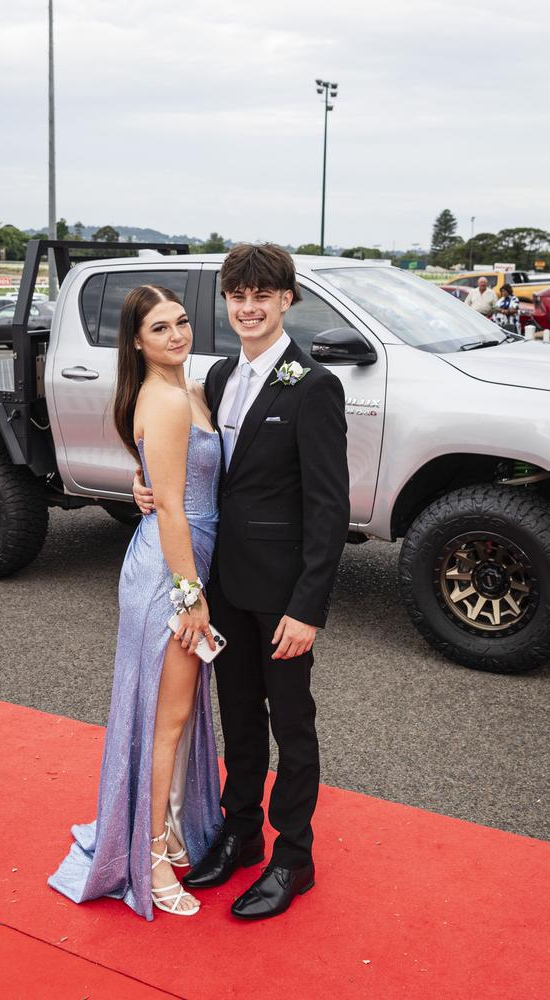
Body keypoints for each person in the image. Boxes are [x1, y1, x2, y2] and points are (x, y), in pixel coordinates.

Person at [134, 244, 349, 920]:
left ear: (288, 299)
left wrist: (309, 607)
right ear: (227, 302)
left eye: (263, 294)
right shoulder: (221, 375)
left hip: (284, 596)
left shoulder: (313, 385)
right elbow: (198, 469)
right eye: (237, 296)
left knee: (292, 723)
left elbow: (329, 506)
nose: (248, 307)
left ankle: (294, 858)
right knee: (238, 719)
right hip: (223, 584)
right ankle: (242, 833)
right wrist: (148, 489)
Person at [48, 285, 223, 919]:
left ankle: (169, 831)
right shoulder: (168, 399)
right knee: (166, 722)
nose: (177, 335)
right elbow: (174, 506)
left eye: (180, 322)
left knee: (172, 716)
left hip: (176, 558)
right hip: (169, 575)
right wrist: (190, 595)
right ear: (137, 342)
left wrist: (140, 479)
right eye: (160, 328)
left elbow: (160, 478)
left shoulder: (186, 391)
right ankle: (147, 860)